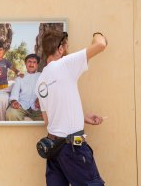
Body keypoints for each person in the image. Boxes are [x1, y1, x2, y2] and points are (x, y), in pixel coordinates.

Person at [35, 31, 107, 185]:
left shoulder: (40, 81)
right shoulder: (65, 64)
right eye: (67, 46)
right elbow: (101, 44)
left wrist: (82, 117)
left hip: (53, 148)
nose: (67, 50)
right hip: (74, 144)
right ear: (60, 49)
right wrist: (97, 34)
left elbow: (48, 120)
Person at [0, 42, 23, 120]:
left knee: (15, 86)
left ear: (4, 50)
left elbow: (13, 68)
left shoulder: (6, 61)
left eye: (0, 50)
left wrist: (18, 73)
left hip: (4, 86)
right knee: (1, 98)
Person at [6, 54, 43, 121]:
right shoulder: (20, 78)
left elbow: (46, 91)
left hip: (38, 107)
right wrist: (14, 101)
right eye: (29, 61)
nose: (31, 64)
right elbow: (15, 93)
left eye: (34, 62)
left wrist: (41, 100)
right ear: (25, 64)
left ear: (37, 65)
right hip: (22, 105)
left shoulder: (42, 76)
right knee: (10, 113)